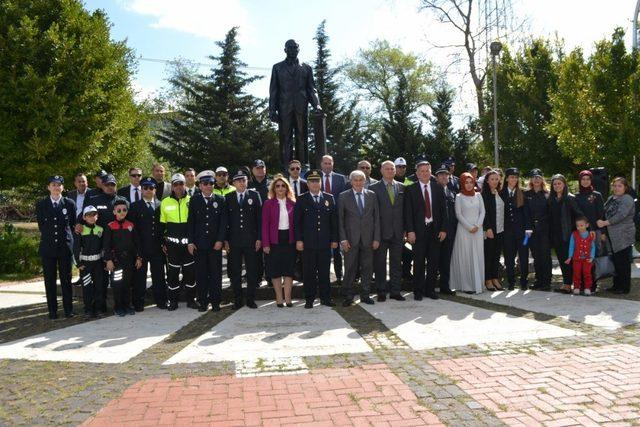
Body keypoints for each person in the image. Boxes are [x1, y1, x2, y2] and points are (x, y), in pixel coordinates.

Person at [294, 170, 338, 308]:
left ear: (321, 182)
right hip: (308, 243)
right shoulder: (301, 199)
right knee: (309, 272)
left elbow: (333, 222)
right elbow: (297, 223)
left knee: (325, 272)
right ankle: (309, 298)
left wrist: (334, 239)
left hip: (325, 243)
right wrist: (299, 240)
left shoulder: (329, 198)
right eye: (312, 181)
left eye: (317, 181)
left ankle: (326, 298)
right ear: (307, 183)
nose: (315, 183)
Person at [404, 160, 448, 300]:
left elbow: (443, 211)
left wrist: (443, 229)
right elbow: (408, 213)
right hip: (418, 232)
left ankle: (430, 290)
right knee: (418, 262)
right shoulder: (410, 189)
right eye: (421, 171)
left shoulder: (438, 188)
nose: (424, 173)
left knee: (433, 262)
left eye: (427, 171)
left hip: (435, 231)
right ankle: (418, 291)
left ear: (431, 172)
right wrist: (410, 231)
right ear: (417, 173)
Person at [36, 175, 77, 319]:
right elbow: (42, 226)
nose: (56, 187)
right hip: (48, 248)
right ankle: (52, 311)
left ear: (63, 188)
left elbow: (71, 225)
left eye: (59, 184)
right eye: (53, 184)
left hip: (64, 247)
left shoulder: (69, 203)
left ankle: (68, 310)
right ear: (48, 187)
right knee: (49, 280)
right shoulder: (41, 205)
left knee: (66, 280)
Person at [339, 170, 380, 306]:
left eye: (360, 180)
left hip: (368, 239)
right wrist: (343, 239)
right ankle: (348, 296)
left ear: (365, 181)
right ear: (351, 182)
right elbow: (340, 220)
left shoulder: (372, 195)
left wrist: (376, 238)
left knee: (367, 268)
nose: (358, 182)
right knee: (350, 268)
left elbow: (376, 219)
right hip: (350, 239)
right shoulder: (343, 196)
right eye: (355, 180)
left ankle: (365, 295)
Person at [187, 171, 227, 312]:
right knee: (201, 274)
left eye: (211, 183)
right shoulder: (194, 200)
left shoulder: (220, 200)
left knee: (216, 274)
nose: (209, 186)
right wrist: (190, 242)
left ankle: (216, 302)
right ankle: (203, 302)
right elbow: (191, 222)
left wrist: (220, 240)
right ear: (200, 186)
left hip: (215, 244)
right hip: (200, 244)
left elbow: (223, 223)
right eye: (205, 184)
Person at [225, 170, 262, 310]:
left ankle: (251, 299)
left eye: (244, 180)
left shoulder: (254, 195)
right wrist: (225, 240)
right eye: (239, 180)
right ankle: (238, 299)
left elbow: (260, 219)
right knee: (235, 271)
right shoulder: (228, 198)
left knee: (252, 271)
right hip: (234, 241)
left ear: (247, 181)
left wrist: (259, 238)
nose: (242, 182)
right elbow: (225, 221)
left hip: (251, 240)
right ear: (233, 183)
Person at [129, 177, 167, 310]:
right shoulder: (134, 207)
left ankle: (161, 301)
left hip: (157, 247)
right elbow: (133, 231)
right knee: (140, 277)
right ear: (141, 189)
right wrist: (136, 250)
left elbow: (163, 227)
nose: (148, 190)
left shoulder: (161, 205)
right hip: (142, 248)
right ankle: (138, 303)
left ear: (155, 190)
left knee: (159, 276)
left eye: (151, 188)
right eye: (145, 188)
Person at [370, 161, 406, 301]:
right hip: (381, 232)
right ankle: (381, 291)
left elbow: (405, 211)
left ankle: (395, 291)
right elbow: (372, 213)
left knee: (396, 263)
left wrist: (406, 229)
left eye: (392, 169)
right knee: (380, 263)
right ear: (381, 171)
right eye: (387, 169)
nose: (390, 171)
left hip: (398, 232)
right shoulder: (373, 188)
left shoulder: (402, 187)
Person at [160, 173, 196, 310]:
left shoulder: (192, 200)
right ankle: (173, 301)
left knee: (190, 274)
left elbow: (195, 223)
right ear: (172, 187)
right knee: (173, 275)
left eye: (181, 183)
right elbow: (162, 226)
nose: (179, 187)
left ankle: (191, 300)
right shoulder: (165, 202)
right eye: (176, 184)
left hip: (188, 246)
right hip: (172, 246)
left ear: (184, 184)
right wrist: (163, 243)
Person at [103, 199, 142, 317]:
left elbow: (137, 243)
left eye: (124, 210)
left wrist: (139, 258)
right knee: (117, 284)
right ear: (114, 212)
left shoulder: (130, 225)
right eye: (119, 210)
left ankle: (127, 305)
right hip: (116, 261)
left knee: (127, 284)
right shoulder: (110, 226)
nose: (121, 212)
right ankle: (118, 307)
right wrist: (108, 260)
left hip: (129, 261)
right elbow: (106, 245)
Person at [598, 177, 636, 295]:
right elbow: (604, 212)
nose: (616, 188)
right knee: (616, 261)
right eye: (614, 186)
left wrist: (605, 223)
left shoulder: (627, 199)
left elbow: (621, 215)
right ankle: (616, 285)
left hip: (623, 235)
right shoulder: (611, 198)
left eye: (619, 186)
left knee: (623, 262)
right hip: (612, 236)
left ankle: (624, 287)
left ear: (625, 187)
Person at [262, 176, 297, 306]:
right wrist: (265, 243)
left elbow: (297, 224)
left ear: (287, 188)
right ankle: (279, 297)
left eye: (283, 186)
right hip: (274, 240)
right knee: (275, 271)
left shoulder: (293, 203)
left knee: (289, 270)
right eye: (277, 186)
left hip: (289, 240)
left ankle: (287, 298)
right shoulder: (268, 204)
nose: (280, 188)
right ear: (274, 189)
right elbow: (264, 225)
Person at [450, 173, 485, 294]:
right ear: (462, 183)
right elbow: (458, 214)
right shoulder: (459, 196)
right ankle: (467, 285)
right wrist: (469, 227)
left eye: (471, 182)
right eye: (466, 182)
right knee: (466, 256)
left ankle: (478, 284)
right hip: (464, 230)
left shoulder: (479, 195)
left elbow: (483, 212)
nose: (469, 185)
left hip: (478, 230)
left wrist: (477, 226)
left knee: (478, 255)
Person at [549, 174, 583, 293]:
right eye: (555, 184)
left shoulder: (570, 198)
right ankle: (566, 284)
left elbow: (579, 215)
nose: (557, 186)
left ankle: (574, 285)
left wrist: (578, 231)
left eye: (559, 183)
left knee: (570, 260)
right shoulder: (551, 199)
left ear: (564, 184)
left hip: (568, 235)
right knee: (562, 260)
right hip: (556, 235)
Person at [500, 168, 529, 290]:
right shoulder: (501, 193)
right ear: (507, 179)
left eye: (516, 177)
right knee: (509, 258)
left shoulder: (522, 193)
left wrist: (528, 229)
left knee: (523, 257)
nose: (514, 179)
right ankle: (511, 282)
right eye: (511, 177)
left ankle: (523, 282)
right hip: (507, 232)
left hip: (522, 232)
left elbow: (526, 213)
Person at [73, 205, 104, 317]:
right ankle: (88, 310)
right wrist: (78, 263)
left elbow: (103, 247)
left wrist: (104, 261)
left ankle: (97, 309)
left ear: (97, 216)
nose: (92, 217)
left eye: (94, 215)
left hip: (98, 264)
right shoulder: (80, 230)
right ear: (84, 217)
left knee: (99, 286)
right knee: (86, 287)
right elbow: (75, 248)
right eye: (89, 215)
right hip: (85, 265)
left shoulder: (100, 229)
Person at [320, 155, 347, 283]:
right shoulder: (315, 178)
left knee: (337, 251)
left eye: (329, 163)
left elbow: (344, 198)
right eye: (325, 163)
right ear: (321, 164)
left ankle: (339, 276)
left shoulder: (341, 179)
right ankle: (321, 276)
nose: (327, 165)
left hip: (336, 218)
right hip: (320, 219)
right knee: (322, 250)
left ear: (333, 164)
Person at [524, 169, 552, 291]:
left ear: (542, 179)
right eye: (534, 177)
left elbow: (551, 214)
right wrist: (528, 227)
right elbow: (525, 213)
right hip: (531, 231)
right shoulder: (526, 194)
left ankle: (546, 281)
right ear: (531, 179)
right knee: (536, 256)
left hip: (545, 230)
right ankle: (539, 280)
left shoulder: (548, 194)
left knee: (545, 256)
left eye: (538, 177)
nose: (536, 179)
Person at [434, 165, 457, 295]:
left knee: (446, 261)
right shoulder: (433, 191)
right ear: (436, 177)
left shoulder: (451, 193)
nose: (444, 176)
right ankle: (431, 286)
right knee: (434, 260)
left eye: (446, 174)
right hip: (436, 232)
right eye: (441, 174)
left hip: (450, 233)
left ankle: (444, 286)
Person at [481, 170, 505, 291]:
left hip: (500, 229)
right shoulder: (484, 194)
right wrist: (488, 228)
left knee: (496, 256)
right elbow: (484, 213)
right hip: (489, 230)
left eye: (497, 179)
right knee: (488, 255)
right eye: (492, 179)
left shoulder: (499, 192)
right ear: (487, 180)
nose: (495, 181)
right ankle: (488, 279)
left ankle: (495, 277)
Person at [566, 216, 596, 296]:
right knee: (576, 273)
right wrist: (570, 256)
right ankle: (576, 287)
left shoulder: (591, 235)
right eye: (578, 226)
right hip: (576, 259)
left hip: (587, 259)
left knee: (587, 273)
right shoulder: (574, 234)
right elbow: (571, 246)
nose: (579, 228)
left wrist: (592, 257)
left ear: (587, 225)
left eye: (581, 225)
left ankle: (587, 288)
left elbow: (593, 247)